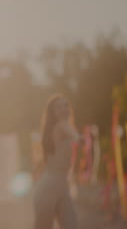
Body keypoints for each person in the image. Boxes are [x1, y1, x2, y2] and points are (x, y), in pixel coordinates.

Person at [33, 94, 79, 229]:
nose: (64, 109)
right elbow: (71, 132)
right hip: (49, 188)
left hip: (62, 187)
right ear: (53, 113)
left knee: (71, 225)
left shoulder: (58, 129)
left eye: (66, 105)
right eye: (59, 107)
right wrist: (78, 137)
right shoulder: (61, 126)